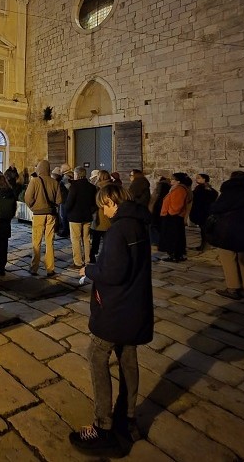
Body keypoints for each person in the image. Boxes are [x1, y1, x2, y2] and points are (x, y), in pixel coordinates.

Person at [71, 184, 153, 452]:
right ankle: (127, 421)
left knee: (96, 356)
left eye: (103, 205)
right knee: (128, 359)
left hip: (117, 309)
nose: (103, 211)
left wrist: (90, 269)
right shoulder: (139, 223)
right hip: (135, 306)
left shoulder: (119, 229)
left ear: (111, 202)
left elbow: (114, 272)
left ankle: (102, 427)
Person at [207, 171, 244, 300]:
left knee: (228, 258)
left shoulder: (229, 189)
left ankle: (232, 288)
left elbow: (218, 207)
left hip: (228, 228)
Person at [24, 159, 62, 276]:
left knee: (37, 241)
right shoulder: (54, 182)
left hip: (38, 214)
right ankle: (50, 268)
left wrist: (33, 207)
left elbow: (28, 198)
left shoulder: (35, 181)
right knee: (50, 241)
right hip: (51, 214)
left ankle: (34, 267)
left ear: (39, 169)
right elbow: (59, 200)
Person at [65, 166, 97, 269]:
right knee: (86, 239)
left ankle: (78, 262)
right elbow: (94, 203)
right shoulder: (91, 187)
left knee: (76, 239)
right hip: (87, 216)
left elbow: (69, 202)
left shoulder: (74, 187)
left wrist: (67, 211)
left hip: (75, 216)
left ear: (77, 174)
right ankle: (87, 260)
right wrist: (90, 211)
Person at [159, 173, 191, 262]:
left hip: (173, 217)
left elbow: (177, 204)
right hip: (172, 216)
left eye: (173, 179)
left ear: (178, 181)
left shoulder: (179, 189)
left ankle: (174, 255)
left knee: (173, 237)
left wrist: (171, 212)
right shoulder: (176, 189)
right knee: (175, 236)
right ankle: (177, 254)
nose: (171, 180)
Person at [189, 173, 218, 251]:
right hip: (206, 211)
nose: (196, 179)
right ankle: (205, 244)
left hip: (202, 212)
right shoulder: (208, 188)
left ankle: (204, 245)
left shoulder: (200, 189)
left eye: (199, 178)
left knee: (204, 230)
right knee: (204, 229)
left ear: (204, 179)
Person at [89, 170, 113, 262]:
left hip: (99, 215)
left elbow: (94, 201)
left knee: (96, 239)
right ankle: (109, 256)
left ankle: (93, 256)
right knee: (108, 239)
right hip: (110, 216)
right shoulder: (113, 187)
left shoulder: (98, 188)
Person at [148, 177, 170, 249]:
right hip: (158, 210)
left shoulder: (160, 191)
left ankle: (158, 242)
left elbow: (153, 200)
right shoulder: (168, 190)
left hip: (157, 210)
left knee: (155, 227)